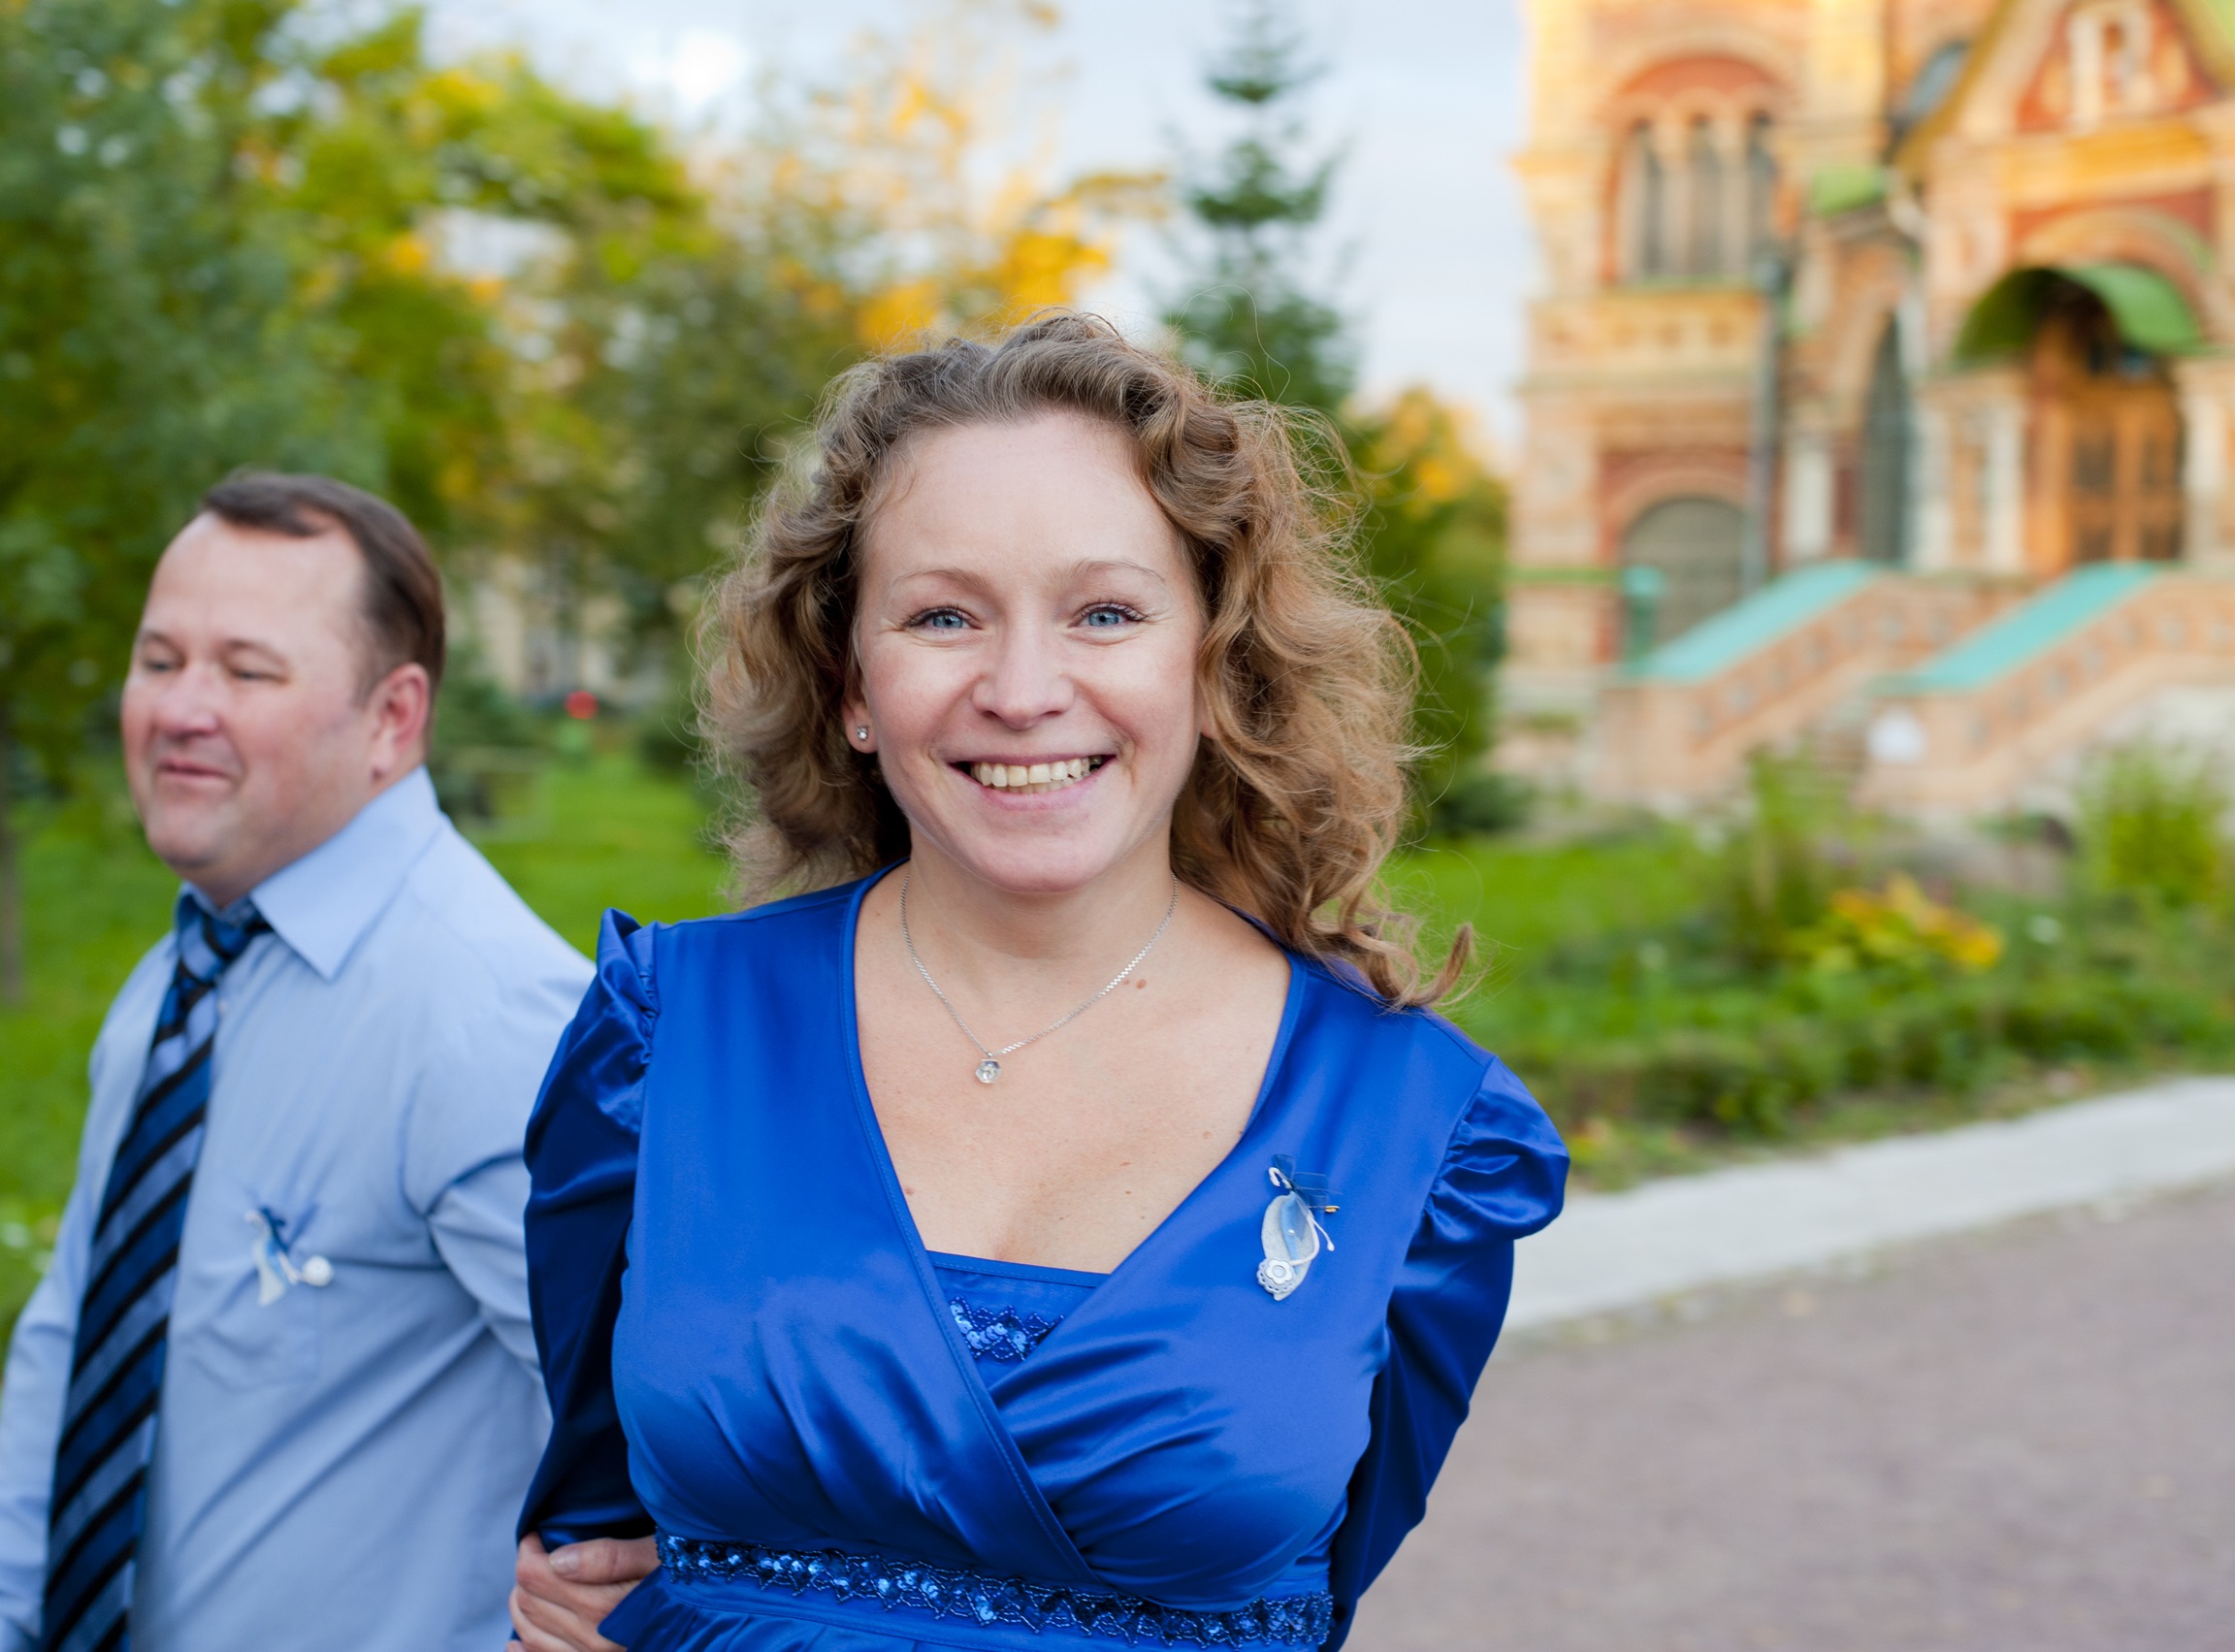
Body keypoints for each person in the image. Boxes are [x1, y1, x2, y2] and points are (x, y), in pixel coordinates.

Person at [507, 314, 1568, 1652]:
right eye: (943, 615)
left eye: (1104, 612)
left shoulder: (1415, 1126)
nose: (1021, 689)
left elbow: (1322, 1598)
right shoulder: (662, 1040)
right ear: (851, 683)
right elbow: (586, 1531)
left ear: (1213, 660)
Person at [0, 473, 597, 1652]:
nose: (181, 708)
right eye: (159, 658)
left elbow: (654, 1449)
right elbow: (71, 1343)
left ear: (392, 717)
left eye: (246, 670)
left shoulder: (490, 1018)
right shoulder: (177, 981)